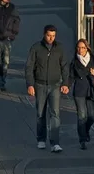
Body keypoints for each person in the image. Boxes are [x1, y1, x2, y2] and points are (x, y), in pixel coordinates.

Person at [26, 24, 68, 153]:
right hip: (40, 84)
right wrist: (30, 84)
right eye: (49, 36)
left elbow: (65, 66)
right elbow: (29, 67)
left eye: (53, 36)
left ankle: (55, 142)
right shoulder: (36, 48)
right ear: (44, 34)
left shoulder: (59, 48)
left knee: (55, 114)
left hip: (55, 85)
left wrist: (65, 83)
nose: (51, 38)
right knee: (40, 113)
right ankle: (41, 139)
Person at [69, 38, 94, 150]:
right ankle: (82, 139)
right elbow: (71, 76)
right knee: (82, 116)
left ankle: (86, 131)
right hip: (79, 91)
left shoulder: (93, 59)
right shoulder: (74, 61)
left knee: (92, 116)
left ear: (87, 48)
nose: (80, 50)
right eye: (78, 48)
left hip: (91, 90)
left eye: (82, 48)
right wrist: (66, 86)